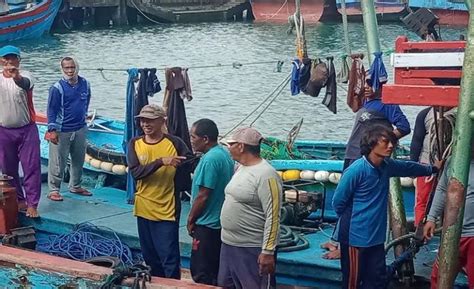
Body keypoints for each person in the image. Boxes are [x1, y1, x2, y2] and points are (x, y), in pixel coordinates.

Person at [332, 125, 440, 289]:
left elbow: (408, 167)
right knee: (352, 283)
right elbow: (338, 202)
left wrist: (432, 169)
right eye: (385, 142)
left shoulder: (386, 166)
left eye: (392, 142)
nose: (391, 146)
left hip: (376, 238)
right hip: (355, 238)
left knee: (377, 281)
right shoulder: (356, 170)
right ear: (371, 144)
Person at [322, 74, 411, 259]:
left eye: (373, 83)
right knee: (346, 199)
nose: (368, 86)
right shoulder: (367, 103)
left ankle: (344, 245)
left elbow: (403, 126)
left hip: (363, 159)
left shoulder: (387, 103)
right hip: (352, 154)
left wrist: (382, 142)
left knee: (354, 202)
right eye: (367, 83)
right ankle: (336, 239)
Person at [127, 104, 192, 279]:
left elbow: (190, 164)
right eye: (142, 120)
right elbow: (136, 173)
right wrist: (161, 161)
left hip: (167, 209)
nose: (145, 124)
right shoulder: (135, 143)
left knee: (169, 257)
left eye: (150, 120)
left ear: (162, 121)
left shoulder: (175, 143)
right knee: (150, 257)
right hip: (143, 207)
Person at [218, 127, 282, 289]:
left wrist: (267, 252)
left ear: (241, 147)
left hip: (251, 247)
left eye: (231, 144)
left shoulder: (267, 174)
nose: (228, 148)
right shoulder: (240, 168)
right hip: (229, 244)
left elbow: (273, 216)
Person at [187, 119, 234, 285]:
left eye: (193, 137)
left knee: (201, 273)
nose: (191, 140)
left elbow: (203, 195)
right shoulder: (223, 154)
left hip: (207, 224)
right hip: (219, 222)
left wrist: (191, 219)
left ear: (205, 139)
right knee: (215, 269)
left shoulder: (209, 160)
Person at [0, 45, 41, 218]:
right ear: (1, 61)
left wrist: (16, 76)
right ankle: (18, 199)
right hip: (4, 130)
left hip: (27, 129)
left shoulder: (27, 76)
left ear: (19, 60)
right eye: (6, 58)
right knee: (8, 169)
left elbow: (24, 84)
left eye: (13, 58)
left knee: (31, 166)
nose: (9, 62)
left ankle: (32, 204)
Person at [424, 154, 474, 289]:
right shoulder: (455, 158)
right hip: (453, 232)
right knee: (439, 278)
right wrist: (431, 217)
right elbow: (442, 189)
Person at [46, 56, 92, 201]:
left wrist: (84, 117)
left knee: (79, 158)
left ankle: (75, 185)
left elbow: (87, 101)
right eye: (67, 68)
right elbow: (51, 109)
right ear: (62, 69)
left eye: (72, 67)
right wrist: (52, 129)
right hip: (62, 129)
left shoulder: (85, 83)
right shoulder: (57, 88)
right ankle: (54, 189)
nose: (70, 70)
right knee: (58, 161)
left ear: (76, 67)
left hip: (80, 127)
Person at [410, 107, 455, 225]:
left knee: (452, 199)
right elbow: (416, 141)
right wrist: (414, 167)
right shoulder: (424, 114)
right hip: (427, 165)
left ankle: (446, 231)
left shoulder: (458, 114)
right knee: (422, 201)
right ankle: (419, 229)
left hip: (451, 165)